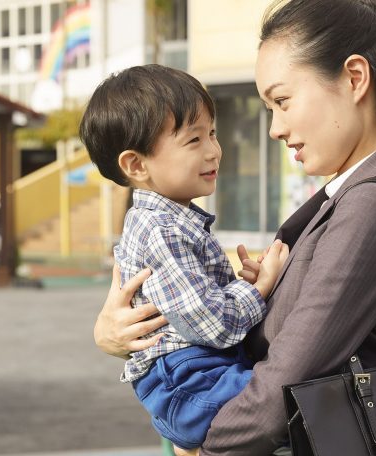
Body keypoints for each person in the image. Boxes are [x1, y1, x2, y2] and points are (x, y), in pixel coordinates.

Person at [93, 1, 376, 454]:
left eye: (282, 101)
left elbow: (285, 382)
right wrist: (117, 335)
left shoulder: (372, 204)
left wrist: (204, 449)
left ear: (355, 78)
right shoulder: (356, 191)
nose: (275, 129)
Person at [79, 64, 289, 452]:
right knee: (290, 396)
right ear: (136, 164)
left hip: (195, 371)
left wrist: (238, 287)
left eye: (212, 133)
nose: (213, 150)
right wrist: (258, 290)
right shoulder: (162, 230)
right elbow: (213, 325)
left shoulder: (171, 219)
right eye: (194, 140)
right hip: (189, 378)